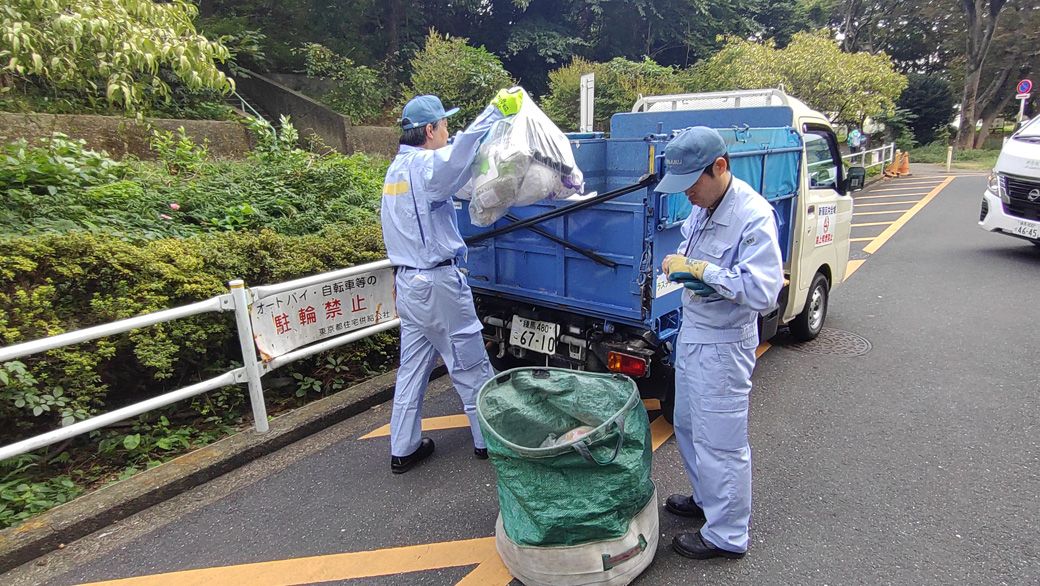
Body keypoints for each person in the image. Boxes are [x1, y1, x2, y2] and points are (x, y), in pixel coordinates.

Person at [655, 127, 783, 559]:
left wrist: (703, 272)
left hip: (725, 345)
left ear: (720, 167)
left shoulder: (753, 215)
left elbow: (765, 292)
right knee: (688, 425)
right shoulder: (703, 206)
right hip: (695, 334)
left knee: (721, 441)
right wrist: (685, 269)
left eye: (692, 183)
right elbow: (695, 256)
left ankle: (727, 534)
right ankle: (708, 501)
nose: (686, 193)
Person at [381, 90, 523, 474]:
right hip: (437, 283)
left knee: (411, 369)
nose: (448, 131)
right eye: (444, 125)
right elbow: (460, 154)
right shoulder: (426, 168)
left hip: (408, 283)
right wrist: (495, 112)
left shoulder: (395, 170)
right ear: (430, 130)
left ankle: (404, 447)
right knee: (470, 363)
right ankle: (487, 441)